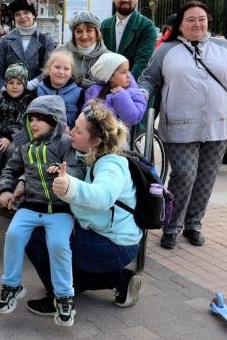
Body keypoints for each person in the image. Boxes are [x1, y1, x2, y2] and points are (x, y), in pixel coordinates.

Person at [137, 1, 227, 249]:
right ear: (180, 25)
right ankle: (171, 226)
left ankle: (193, 224)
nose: (197, 24)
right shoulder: (167, 50)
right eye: (191, 19)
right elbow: (149, 78)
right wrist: (140, 95)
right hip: (180, 126)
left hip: (219, 125)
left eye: (201, 19)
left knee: (206, 178)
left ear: (208, 21)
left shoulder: (224, 47)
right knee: (184, 175)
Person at [17, 99, 144, 316]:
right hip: (101, 233)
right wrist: (21, 182)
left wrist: (70, 187)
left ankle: (59, 297)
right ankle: (119, 280)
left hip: (115, 244)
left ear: (95, 140)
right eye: (73, 126)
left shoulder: (112, 163)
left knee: (36, 237)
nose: (70, 132)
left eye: (77, 130)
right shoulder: (87, 152)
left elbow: (103, 196)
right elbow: (42, 165)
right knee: (51, 238)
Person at [0, 95, 86, 327]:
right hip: (31, 205)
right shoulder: (24, 145)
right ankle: (12, 285)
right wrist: (5, 190)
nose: (34, 123)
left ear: (55, 121)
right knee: (13, 235)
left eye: (40, 119)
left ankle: (64, 296)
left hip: (60, 209)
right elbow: (10, 169)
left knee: (58, 245)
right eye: (31, 119)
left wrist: (63, 173)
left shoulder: (65, 143)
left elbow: (77, 169)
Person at [0, 63, 34, 208]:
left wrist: (9, 138)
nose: (14, 86)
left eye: (19, 83)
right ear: (5, 84)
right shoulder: (0, 100)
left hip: (18, 137)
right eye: (11, 83)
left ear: (24, 84)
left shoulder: (27, 100)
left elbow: (22, 122)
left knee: (12, 151)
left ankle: (9, 187)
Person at [100, 0, 157, 81]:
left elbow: (141, 64)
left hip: (132, 87)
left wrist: (123, 86)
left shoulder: (147, 27)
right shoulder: (105, 25)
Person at [0, 0, 54, 92]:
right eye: (17, 14)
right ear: (14, 18)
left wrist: (29, 85)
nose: (22, 16)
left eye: (26, 12)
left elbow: (48, 70)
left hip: (38, 93)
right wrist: (5, 90)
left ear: (33, 15)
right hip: (10, 94)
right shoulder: (6, 40)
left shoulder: (45, 39)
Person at [85, 53, 147, 128]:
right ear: (109, 76)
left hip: (119, 134)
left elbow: (133, 118)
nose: (128, 76)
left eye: (128, 71)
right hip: (94, 131)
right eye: (123, 72)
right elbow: (85, 117)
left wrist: (121, 95)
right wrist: (91, 107)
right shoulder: (93, 90)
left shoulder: (134, 92)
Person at [55, 11, 110, 89]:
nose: (84, 36)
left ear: (96, 33)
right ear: (73, 34)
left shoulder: (108, 57)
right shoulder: (60, 53)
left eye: (89, 30)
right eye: (79, 31)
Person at [36, 50, 83, 129]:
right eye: (57, 67)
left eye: (66, 69)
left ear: (71, 73)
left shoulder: (79, 93)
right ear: (49, 69)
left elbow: (81, 120)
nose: (61, 72)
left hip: (69, 133)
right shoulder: (38, 90)